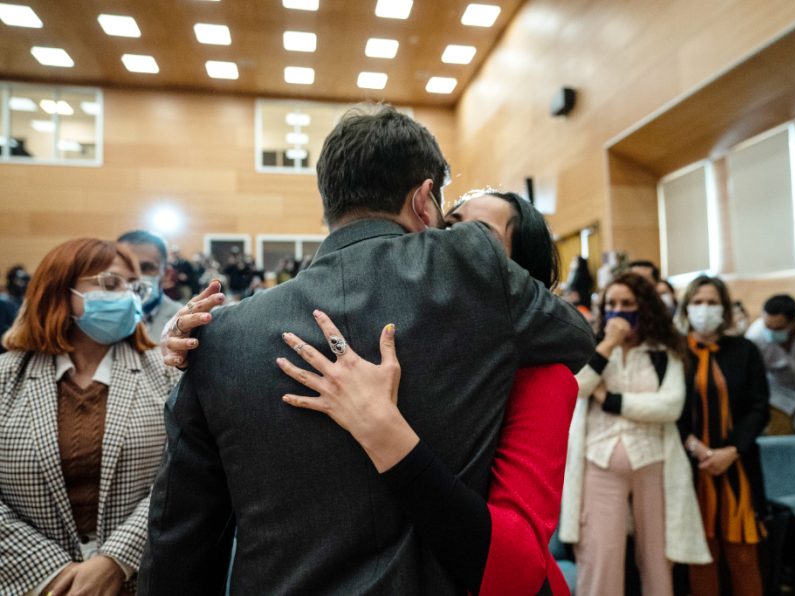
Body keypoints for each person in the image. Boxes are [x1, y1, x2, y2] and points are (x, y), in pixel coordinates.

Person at [138, 105, 596, 594]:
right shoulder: (471, 269)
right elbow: (576, 337)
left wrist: (207, 336)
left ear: (328, 201)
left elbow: (181, 544)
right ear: (425, 200)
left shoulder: (222, 336)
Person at [0, 238, 181, 594]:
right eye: (111, 284)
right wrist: (50, 573)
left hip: (140, 580)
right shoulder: (5, 379)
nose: (128, 297)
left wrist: (115, 561)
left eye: (135, 287)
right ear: (58, 290)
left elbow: (182, 477)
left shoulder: (167, 374)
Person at [558, 272, 709, 596]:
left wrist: (612, 401)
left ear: (644, 307)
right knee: (600, 557)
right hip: (598, 464)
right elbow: (578, 388)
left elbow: (669, 406)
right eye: (611, 303)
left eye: (627, 303)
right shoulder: (592, 347)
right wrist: (609, 343)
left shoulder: (663, 352)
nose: (618, 309)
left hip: (653, 463)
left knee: (657, 559)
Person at [677, 275, 769, 596]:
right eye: (698, 302)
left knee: (743, 556)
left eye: (712, 302)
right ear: (686, 308)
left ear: (725, 308)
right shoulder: (673, 353)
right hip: (691, 468)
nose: (705, 309)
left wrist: (732, 450)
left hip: (736, 467)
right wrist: (697, 448)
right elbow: (669, 410)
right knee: (701, 558)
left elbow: (759, 407)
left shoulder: (745, 350)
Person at [745, 294, 795, 435]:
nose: (771, 332)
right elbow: (754, 376)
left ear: (793, 322)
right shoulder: (755, 336)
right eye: (768, 326)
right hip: (780, 392)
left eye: (778, 328)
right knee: (779, 436)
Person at [117, 230, 184, 343]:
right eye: (127, 266)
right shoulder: (100, 316)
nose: (135, 276)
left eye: (146, 268)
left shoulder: (182, 320)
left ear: (166, 274)